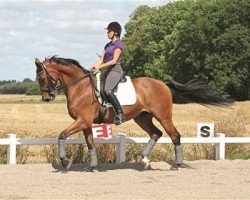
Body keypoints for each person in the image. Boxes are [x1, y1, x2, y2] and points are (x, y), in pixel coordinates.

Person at [90, 22, 126, 125]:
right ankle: (104, 108)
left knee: (108, 90)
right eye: (107, 31)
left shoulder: (118, 43)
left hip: (116, 69)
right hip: (107, 70)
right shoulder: (107, 45)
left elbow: (114, 60)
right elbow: (101, 60)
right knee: (99, 88)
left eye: (109, 31)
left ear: (115, 32)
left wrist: (100, 67)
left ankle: (120, 114)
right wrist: (92, 67)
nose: (107, 33)